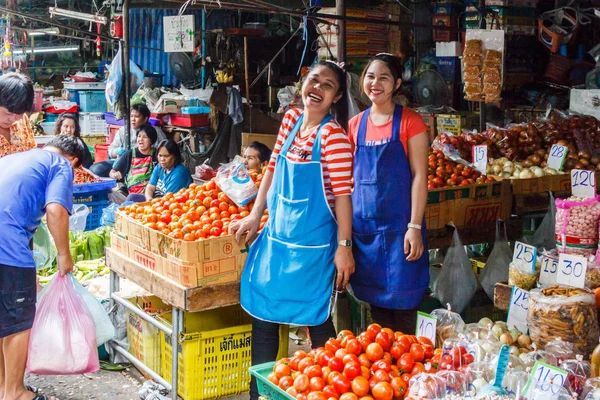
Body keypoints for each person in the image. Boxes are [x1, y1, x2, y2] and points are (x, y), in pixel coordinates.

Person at [229, 61, 355, 400]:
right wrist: (256, 215)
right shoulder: (290, 120)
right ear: (304, 83)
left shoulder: (334, 138)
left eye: (327, 85)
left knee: (316, 321)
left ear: (336, 97)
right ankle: (259, 395)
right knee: (264, 318)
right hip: (277, 240)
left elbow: (343, 198)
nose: (318, 87)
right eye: (314, 79)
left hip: (314, 250)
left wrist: (344, 246)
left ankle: (329, 391)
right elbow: (272, 169)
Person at [348, 53, 430, 334]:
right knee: (378, 315)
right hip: (366, 233)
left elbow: (420, 176)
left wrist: (415, 226)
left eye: (383, 77)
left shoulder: (410, 122)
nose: (375, 83)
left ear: (396, 84)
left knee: (406, 310)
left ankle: (411, 374)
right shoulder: (355, 125)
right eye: (370, 76)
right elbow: (349, 180)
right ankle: (387, 375)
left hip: (400, 232)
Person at [0, 135, 83, 400]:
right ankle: (14, 393)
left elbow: (13, 205)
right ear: (74, 160)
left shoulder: (15, 158)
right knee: (18, 321)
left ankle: (4, 387)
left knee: (3, 319)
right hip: (6, 246)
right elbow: (56, 210)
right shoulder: (59, 165)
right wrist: (63, 254)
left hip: (7, 244)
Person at [89, 103, 166, 177]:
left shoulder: (155, 131)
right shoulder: (123, 130)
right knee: (95, 169)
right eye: (131, 116)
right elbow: (110, 150)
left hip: (145, 164)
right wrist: (116, 153)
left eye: (136, 116)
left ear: (145, 118)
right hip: (124, 163)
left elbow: (165, 150)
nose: (133, 119)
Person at [109, 124, 157, 199]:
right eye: (139, 136)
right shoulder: (130, 154)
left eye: (145, 137)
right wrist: (115, 174)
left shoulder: (156, 155)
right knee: (111, 196)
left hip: (149, 195)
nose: (140, 139)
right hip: (128, 192)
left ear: (151, 140)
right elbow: (112, 172)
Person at [0, 72, 35, 158]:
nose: (13, 119)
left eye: (19, 114)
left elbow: (31, 151)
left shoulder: (23, 119)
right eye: (8, 113)